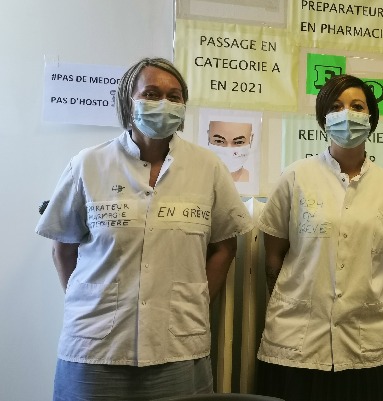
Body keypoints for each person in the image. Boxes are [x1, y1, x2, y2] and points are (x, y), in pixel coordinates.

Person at [35, 57, 254, 400]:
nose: (164, 103)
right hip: (95, 348)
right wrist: (89, 302)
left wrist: (195, 302)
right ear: (129, 100)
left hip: (177, 344)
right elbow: (63, 247)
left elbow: (224, 247)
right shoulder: (89, 164)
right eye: (151, 94)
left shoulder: (208, 167)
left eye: (174, 96)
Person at [256, 74, 383, 401]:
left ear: (371, 118)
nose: (347, 114)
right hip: (296, 341)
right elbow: (273, 256)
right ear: (323, 118)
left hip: (364, 344)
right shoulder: (296, 176)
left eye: (357, 106)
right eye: (336, 106)